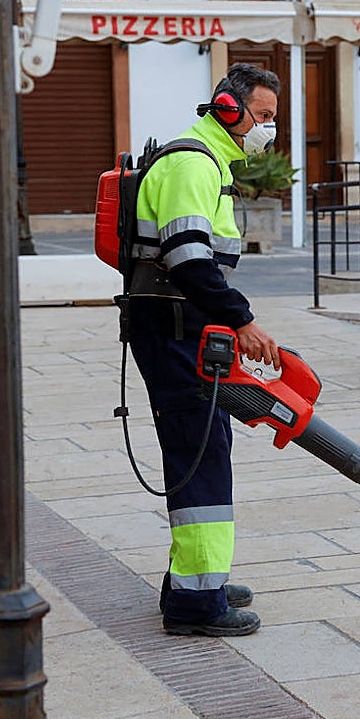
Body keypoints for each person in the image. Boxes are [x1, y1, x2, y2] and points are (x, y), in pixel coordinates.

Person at [126, 63, 282, 636]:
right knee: (201, 458)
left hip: (178, 327)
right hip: (174, 328)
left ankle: (196, 579)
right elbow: (189, 257)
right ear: (229, 109)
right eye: (262, 116)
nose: (268, 129)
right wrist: (240, 319)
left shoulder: (204, 162)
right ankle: (195, 605)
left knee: (202, 449)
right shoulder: (193, 163)